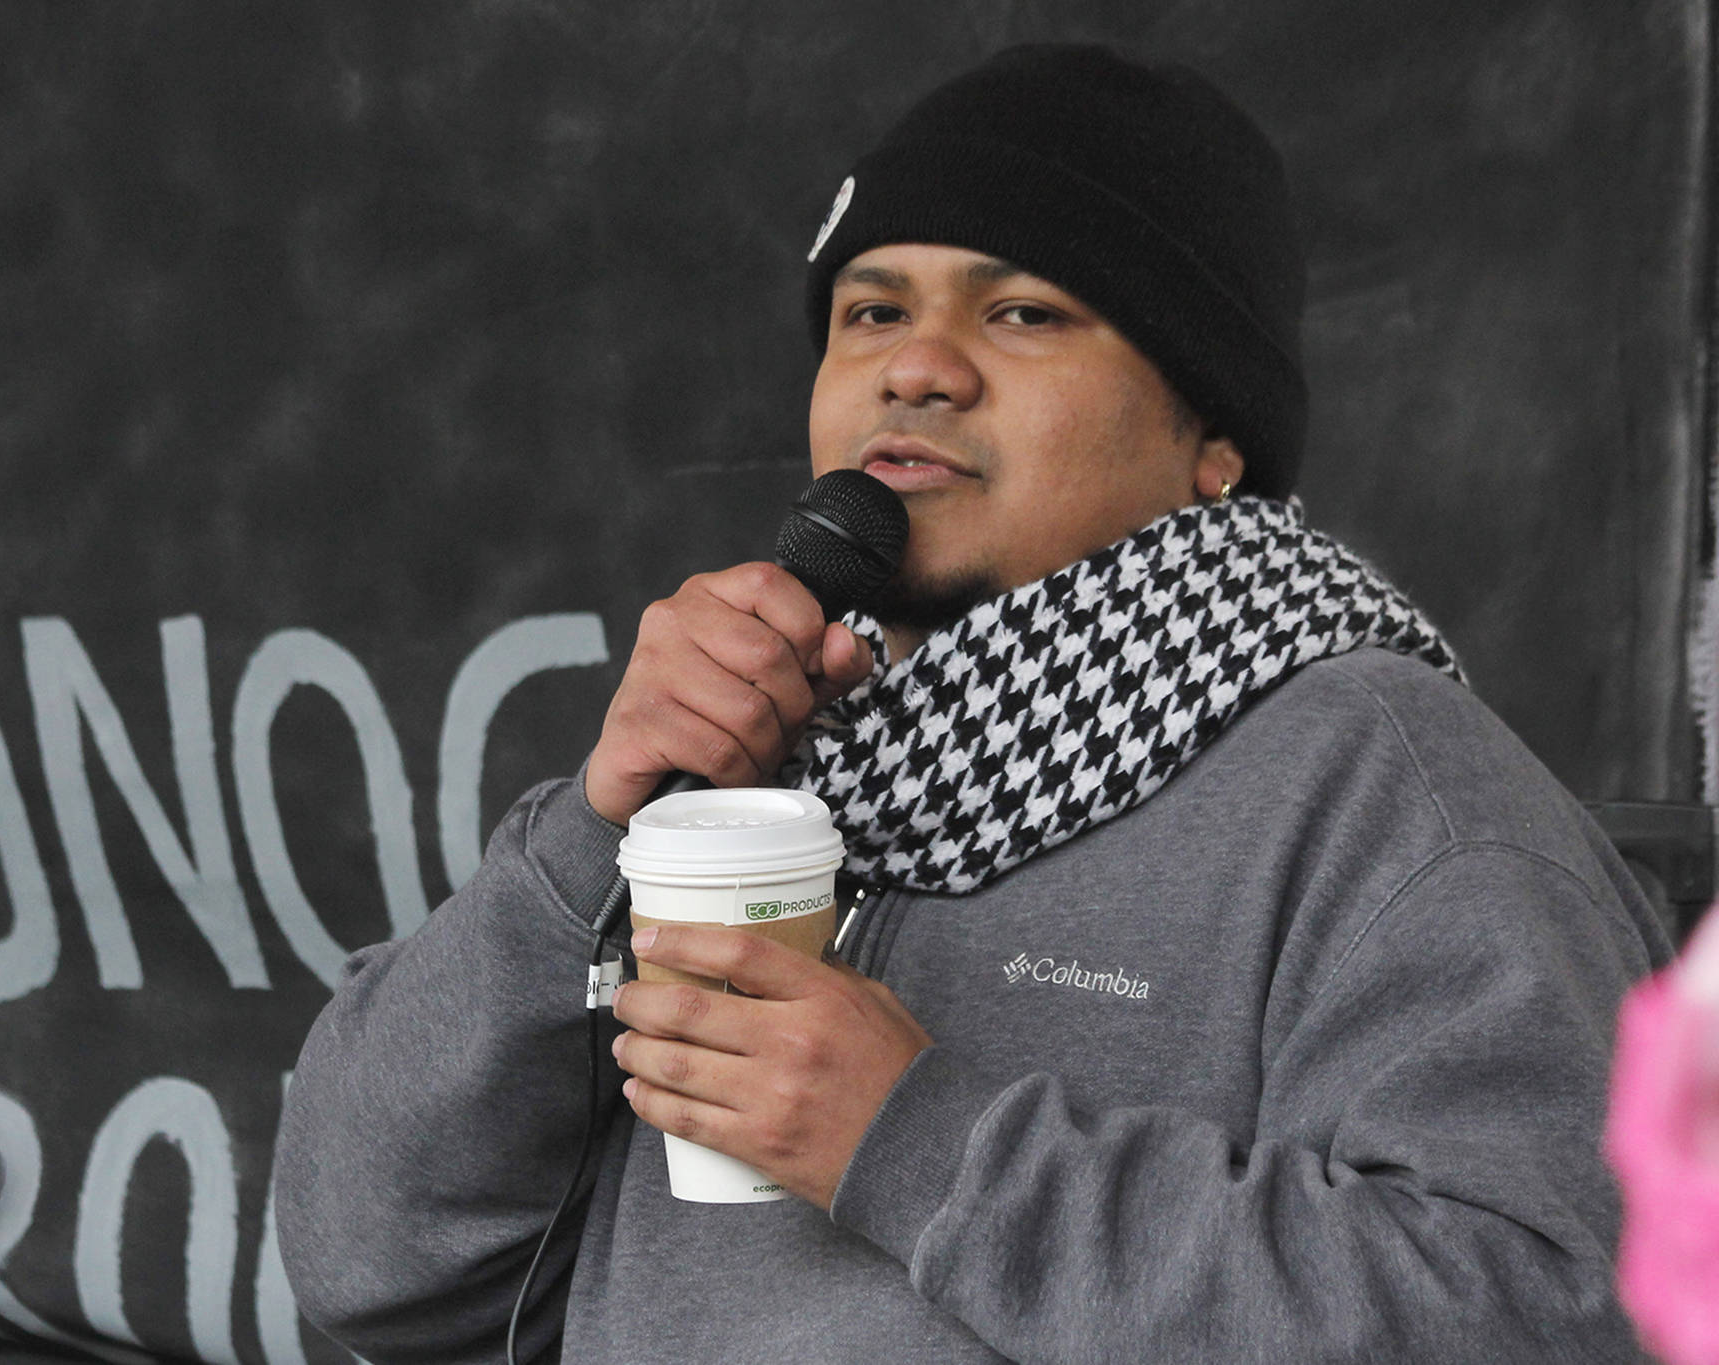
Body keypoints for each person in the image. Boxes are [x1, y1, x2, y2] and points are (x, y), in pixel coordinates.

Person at [274, 43, 1671, 1362]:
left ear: (1213, 442)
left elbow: (1561, 1313)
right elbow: (361, 1257)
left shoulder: (1386, 784)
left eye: (1022, 312)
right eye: (872, 308)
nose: (917, 364)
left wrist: (915, 1140)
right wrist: (596, 833)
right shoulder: (757, 762)